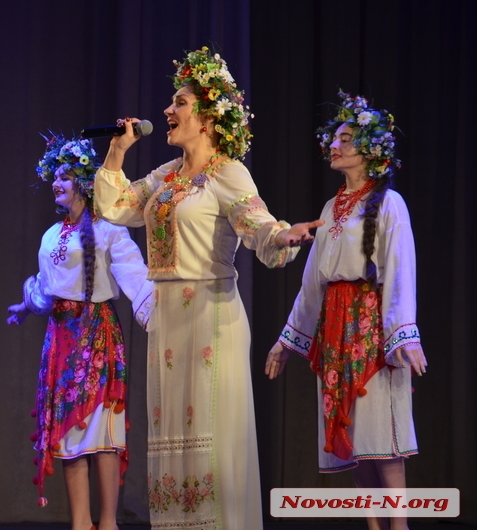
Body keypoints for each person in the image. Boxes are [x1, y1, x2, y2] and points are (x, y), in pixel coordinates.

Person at [92, 47, 323, 530]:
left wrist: (285, 235)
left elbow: (258, 228)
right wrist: (117, 150)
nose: (167, 111)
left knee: (209, 441)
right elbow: (114, 208)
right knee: (171, 440)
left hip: (210, 319)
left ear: (209, 118)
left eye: (179, 103)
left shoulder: (226, 171)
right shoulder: (165, 176)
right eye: (171, 103)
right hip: (168, 319)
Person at [265, 91, 426, 530]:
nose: (335, 146)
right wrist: (287, 341)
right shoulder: (329, 208)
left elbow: (399, 272)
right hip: (335, 327)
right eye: (334, 139)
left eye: (346, 139)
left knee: (380, 434)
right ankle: (372, 525)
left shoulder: (389, 204)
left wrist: (404, 334)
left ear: (371, 150)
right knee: (353, 433)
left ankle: (399, 525)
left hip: (371, 327)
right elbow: (312, 284)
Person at [7, 134, 152, 530]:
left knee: (100, 433)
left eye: (66, 176)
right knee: (70, 437)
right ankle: (80, 523)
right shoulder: (51, 235)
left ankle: (107, 523)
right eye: (54, 176)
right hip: (61, 337)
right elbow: (46, 284)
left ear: (84, 184)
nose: (57, 183)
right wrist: (27, 305)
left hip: (97, 334)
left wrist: (156, 313)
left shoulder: (107, 230)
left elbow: (133, 274)